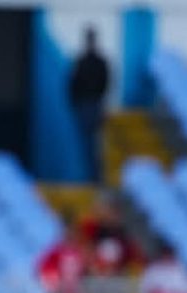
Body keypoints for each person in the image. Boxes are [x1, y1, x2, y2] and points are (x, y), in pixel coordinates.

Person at [69, 27, 110, 183]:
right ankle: (87, 177)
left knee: (95, 145)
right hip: (84, 106)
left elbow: (105, 83)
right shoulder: (81, 61)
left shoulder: (99, 62)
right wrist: (76, 103)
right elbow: (73, 84)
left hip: (94, 105)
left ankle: (95, 178)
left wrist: (99, 102)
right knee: (84, 145)